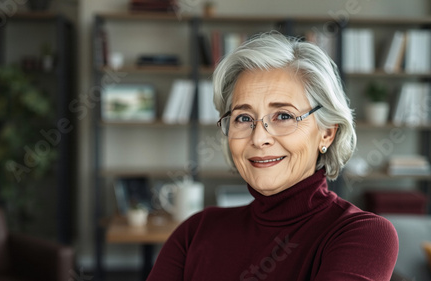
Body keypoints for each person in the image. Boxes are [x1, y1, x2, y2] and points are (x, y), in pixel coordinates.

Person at [147, 31, 398, 281]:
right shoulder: (195, 232)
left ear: (327, 134)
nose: (258, 138)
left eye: (284, 116)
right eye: (243, 118)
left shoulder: (363, 234)